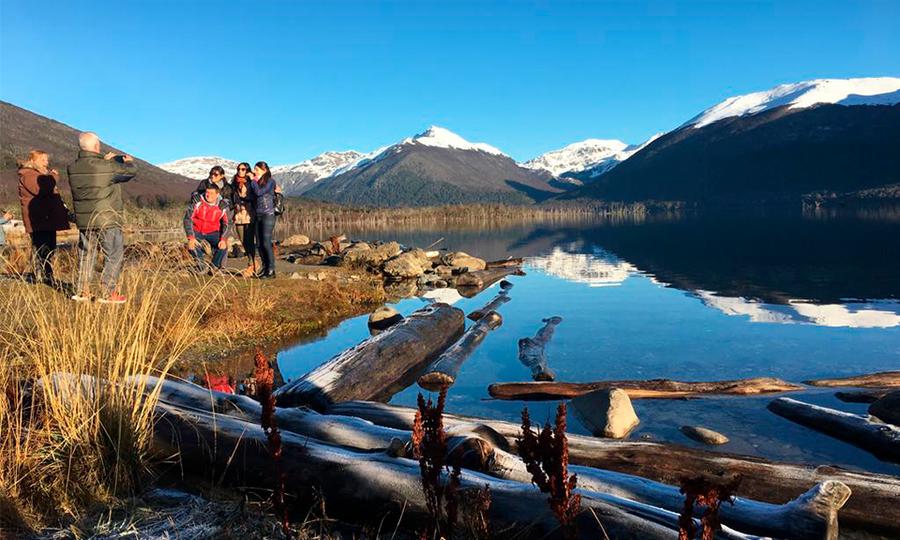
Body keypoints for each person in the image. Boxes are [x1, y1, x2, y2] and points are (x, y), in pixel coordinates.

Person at [67, 132, 136, 303]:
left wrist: (105, 162)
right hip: (106, 219)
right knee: (113, 254)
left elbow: (94, 178)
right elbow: (130, 173)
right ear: (97, 146)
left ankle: (82, 292)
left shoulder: (72, 167)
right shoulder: (106, 167)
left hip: (84, 220)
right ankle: (108, 292)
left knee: (86, 254)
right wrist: (129, 162)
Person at [17, 150, 70, 285]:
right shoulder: (28, 174)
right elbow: (41, 188)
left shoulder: (36, 174)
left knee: (49, 247)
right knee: (42, 248)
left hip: (45, 219)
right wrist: (53, 177)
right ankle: (43, 276)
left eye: (46, 160)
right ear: (33, 161)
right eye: (43, 160)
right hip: (38, 220)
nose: (46, 163)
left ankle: (45, 275)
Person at [183, 183, 233, 273]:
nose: (208, 195)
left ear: (217, 194)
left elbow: (228, 223)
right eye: (207, 192)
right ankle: (201, 266)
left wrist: (223, 239)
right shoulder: (197, 202)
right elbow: (187, 219)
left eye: (211, 193)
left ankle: (213, 267)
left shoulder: (222, 206)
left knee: (223, 246)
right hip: (197, 230)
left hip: (213, 232)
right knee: (191, 245)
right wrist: (191, 237)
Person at [249, 161, 277, 279]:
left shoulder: (270, 181)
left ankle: (271, 270)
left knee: (266, 242)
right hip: (257, 215)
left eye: (257, 169)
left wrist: (252, 180)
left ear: (264, 170)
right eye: (254, 169)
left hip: (268, 214)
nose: (254, 171)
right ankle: (265, 269)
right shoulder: (256, 182)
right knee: (259, 244)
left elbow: (259, 192)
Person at [231, 162, 257, 275]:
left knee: (249, 240)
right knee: (242, 240)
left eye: (243, 169)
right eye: (238, 169)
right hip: (238, 214)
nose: (240, 171)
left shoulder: (252, 182)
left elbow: (257, 194)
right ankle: (254, 262)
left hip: (250, 213)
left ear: (247, 170)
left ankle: (251, 265)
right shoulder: (234, 182)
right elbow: (230, 195)